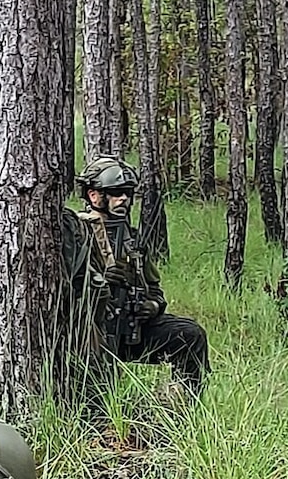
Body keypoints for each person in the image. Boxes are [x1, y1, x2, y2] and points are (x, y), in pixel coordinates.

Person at [66, 156, 210, 395]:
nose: (124, 199)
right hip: (88, 334)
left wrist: (152, 305)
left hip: (130, 332)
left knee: (190, 335)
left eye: (128, 193)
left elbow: (154, 288)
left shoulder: (132, 240)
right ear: (93, 195)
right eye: (116, 192)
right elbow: (61, 290)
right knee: (101, 396)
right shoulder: (76, 233)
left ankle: (180, 410)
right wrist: (99, 282)